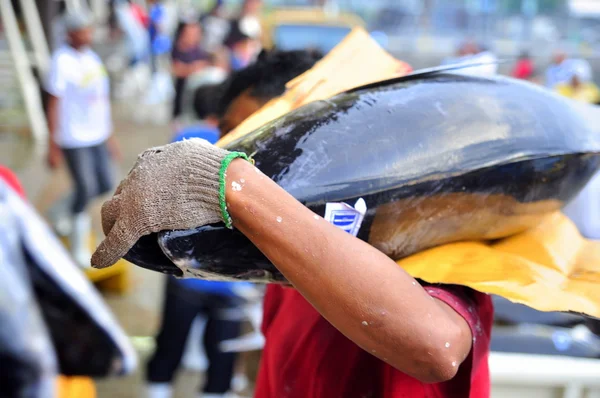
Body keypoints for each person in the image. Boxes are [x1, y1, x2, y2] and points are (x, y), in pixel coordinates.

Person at [91, 50, 493, 398]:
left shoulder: (428, 220)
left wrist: (237, 184)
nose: (236, 155)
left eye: (254, 143)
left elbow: (437, 347)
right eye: (228, 145)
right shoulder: (282, 238)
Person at [46, 11, 120, 268]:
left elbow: (101, 101)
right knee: (85, 187)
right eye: (82, 30)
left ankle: (59, 211)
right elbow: (53, 103)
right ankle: (79, 248)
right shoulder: (61, 60)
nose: (88, 34)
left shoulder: (92, 58)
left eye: (89, 29)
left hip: (97, 134)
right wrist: (52, 143)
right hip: (73, 136)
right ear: (70, 33)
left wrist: (110, 137)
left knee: (104, 183)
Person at [171, 19, 209, 123]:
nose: (193, 35)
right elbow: (175, 70)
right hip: (179, 104)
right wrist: (193, 68)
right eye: (190, 33)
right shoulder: (176, 49)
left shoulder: (201, 51)